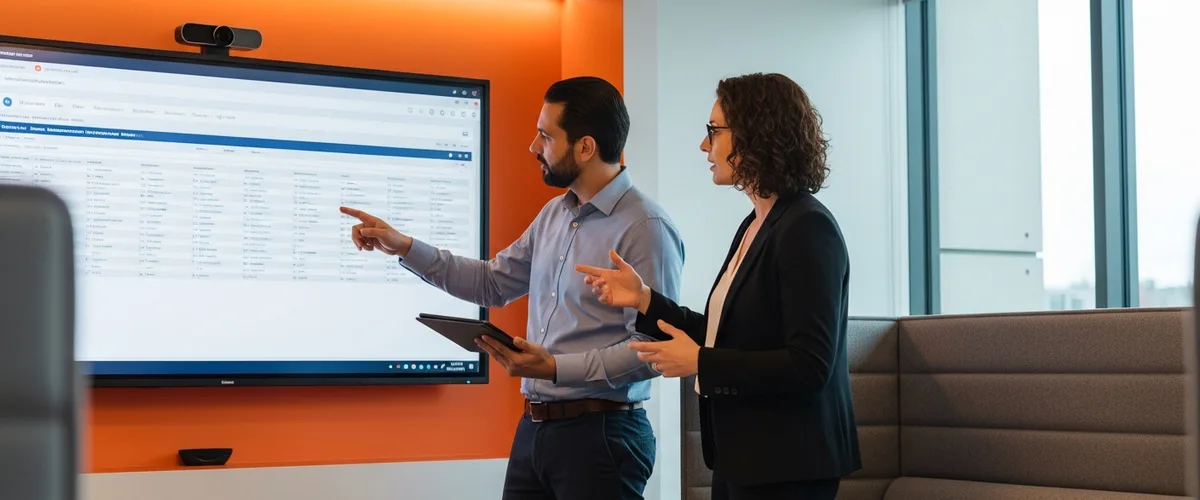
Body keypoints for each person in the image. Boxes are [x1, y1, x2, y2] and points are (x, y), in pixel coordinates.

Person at [339, 76, 685, 500]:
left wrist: (556, 368)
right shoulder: (555, 214)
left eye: (545, 136)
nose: (533, 147)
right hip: (536, 430)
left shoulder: (645, 228)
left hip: (603, 436)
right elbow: (492, 282)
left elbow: (652, 350)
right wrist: (405, 247)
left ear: (585, 147)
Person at [576, 72, 861, 500]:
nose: (704, 146)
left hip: (789, 465)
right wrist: (645, 299)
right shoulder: (756, 224)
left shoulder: (807, 228)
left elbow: (809, 364)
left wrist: (702, 363)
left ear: (755, 132)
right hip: (744, 458)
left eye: (714, 131)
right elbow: (721, 331)